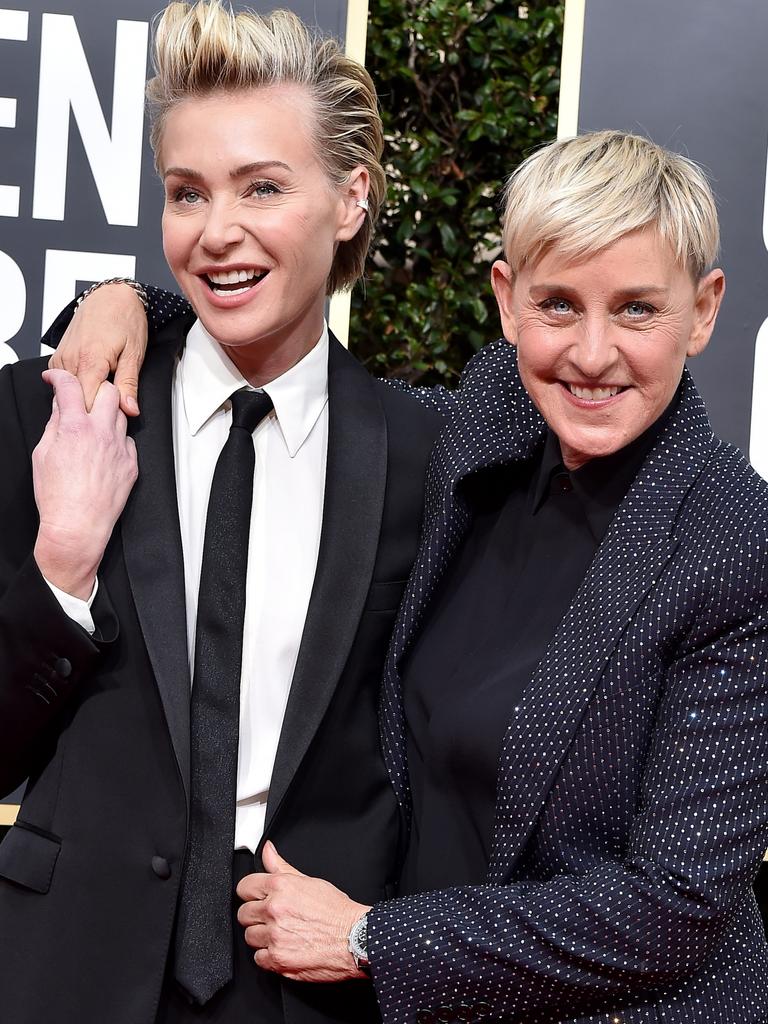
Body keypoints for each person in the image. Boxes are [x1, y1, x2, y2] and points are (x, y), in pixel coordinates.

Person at [57, 132, 768, 1022]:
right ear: (507, 302)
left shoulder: (735, 539)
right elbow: (307, 380)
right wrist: (123, 302)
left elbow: (677, 905)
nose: (592, 354)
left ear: (703, 312)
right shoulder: (484, 433)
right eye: (557, 306)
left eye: (636, 310)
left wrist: (369, 940)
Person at [0, 4, 444, 1024]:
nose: (217, 232)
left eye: (264, 187)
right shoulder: (54, 411)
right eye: (186, 193)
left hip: (309, 985)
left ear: (350, 199)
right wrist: (63, 568)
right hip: (64, 969)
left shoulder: (424, 456)